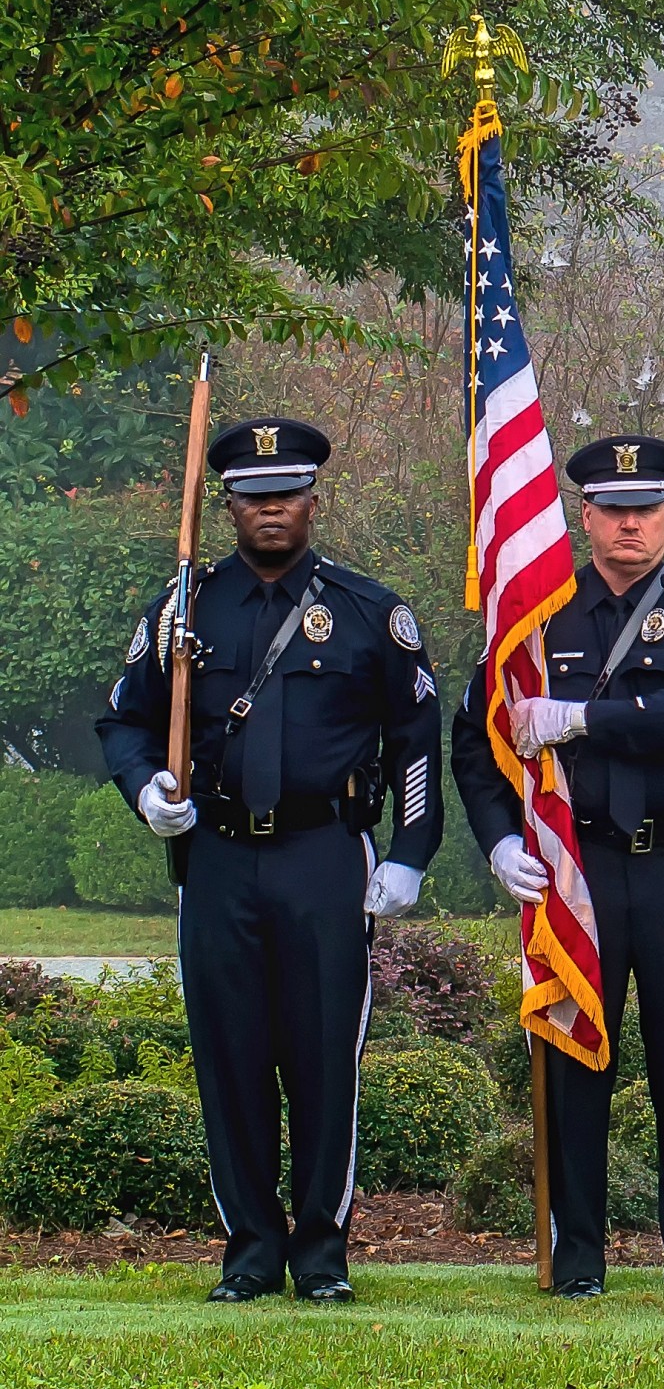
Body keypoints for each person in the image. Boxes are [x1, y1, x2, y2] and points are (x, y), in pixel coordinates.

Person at [97, 418, 443, 1303]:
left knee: (326, 1056)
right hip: (215, 858)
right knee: (232, 1054)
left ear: (313, 499)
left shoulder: (371, 610)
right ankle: (250, 1248)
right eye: (254, 496)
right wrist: (147, 792)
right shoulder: (184, 610)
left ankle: (322, 1253)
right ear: (229, 506)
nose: (271, 508)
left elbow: (414, 740)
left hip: (325, 856)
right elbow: (124, 722)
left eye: (286, 492)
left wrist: (409, 852)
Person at [451, 433, 664, 1299]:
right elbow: (478, 741)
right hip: (572, 866)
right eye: (614, 511)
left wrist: (577, 717)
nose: (631, 525)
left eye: (646, 509)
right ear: (583, 517)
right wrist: (500, 838)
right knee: (574, 1061)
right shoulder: (535, 621)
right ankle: (575, 1258)